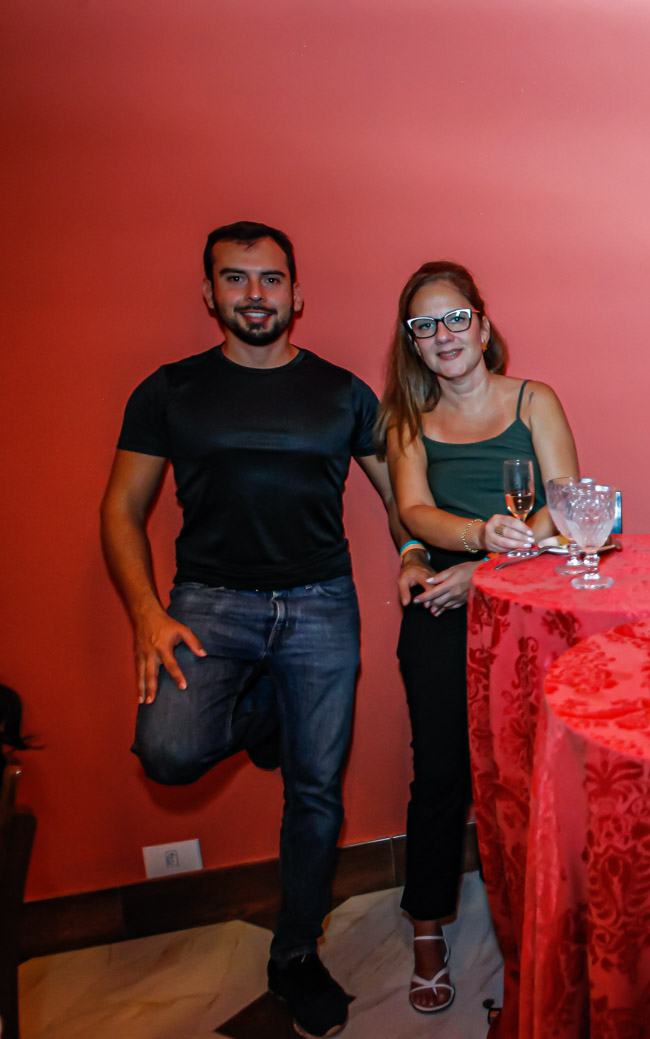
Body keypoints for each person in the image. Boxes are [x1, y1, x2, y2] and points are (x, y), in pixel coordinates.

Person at [100, 221, 417, 1037]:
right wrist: (146, 613)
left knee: (314, 790)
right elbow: (121, 509)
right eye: (235, 278)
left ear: (296, 294)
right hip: (209, 602)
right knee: (168, 751)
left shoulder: (343, 392)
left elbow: (396, 496)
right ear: (209, 293)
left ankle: (295, 953)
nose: (254, 293)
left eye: (270, 278)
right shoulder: (169, 390)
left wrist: (414, 551)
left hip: (319, 604)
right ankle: (269, 713)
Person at [377, 260, 579, 1013]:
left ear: (483, 325)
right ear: (414, 342)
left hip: (530, 594)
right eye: (425, 324)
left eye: (455, 317)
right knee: (440, 772)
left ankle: (542, 924)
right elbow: (412, 511)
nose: (444, 334)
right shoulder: (406, 418)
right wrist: (473, 542)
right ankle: (428, 926)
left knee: (535, 770)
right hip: (442, 598)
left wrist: (490, 568)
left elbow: (563, 501)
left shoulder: (534, 399)